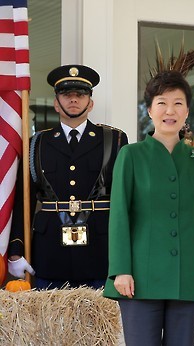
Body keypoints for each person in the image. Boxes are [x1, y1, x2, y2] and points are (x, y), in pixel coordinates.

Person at [103, 70, 194, 346]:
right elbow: (120, 216)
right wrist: (121, 269)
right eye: (162, 102)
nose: (170, 110)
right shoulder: (130, 155)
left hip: (189, 276)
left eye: (178, 103)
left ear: (187, 111)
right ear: (149, 110)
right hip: (139, 279)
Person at [7, 64, 128, 289]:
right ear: (56, 103)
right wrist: (16, 249)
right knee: (48, 325)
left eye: (81, 94)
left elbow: (125, 200)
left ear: (90, 103)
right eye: (66, 94)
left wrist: (127, 256)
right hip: (50, 254)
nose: (74, 99)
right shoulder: (36, 144)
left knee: (96, 324)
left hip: (100, 253)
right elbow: (23, 200)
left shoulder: (115, 140)